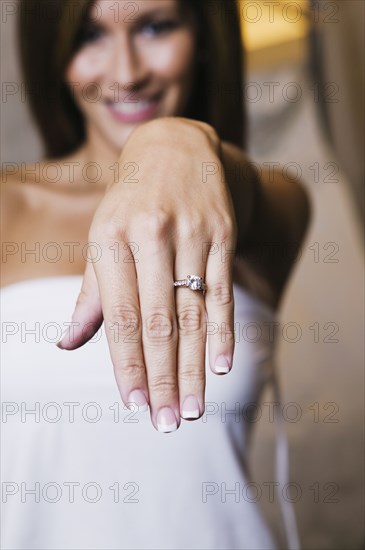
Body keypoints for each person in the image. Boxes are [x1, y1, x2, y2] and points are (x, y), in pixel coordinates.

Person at [1, 0, 310, 548]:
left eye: (154, 26)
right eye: (90, 36)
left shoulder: (269, 206)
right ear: (53, 52)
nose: (126, 73)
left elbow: (251, 198)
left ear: (206, 35)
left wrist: (174, 140)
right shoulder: (7, 207)